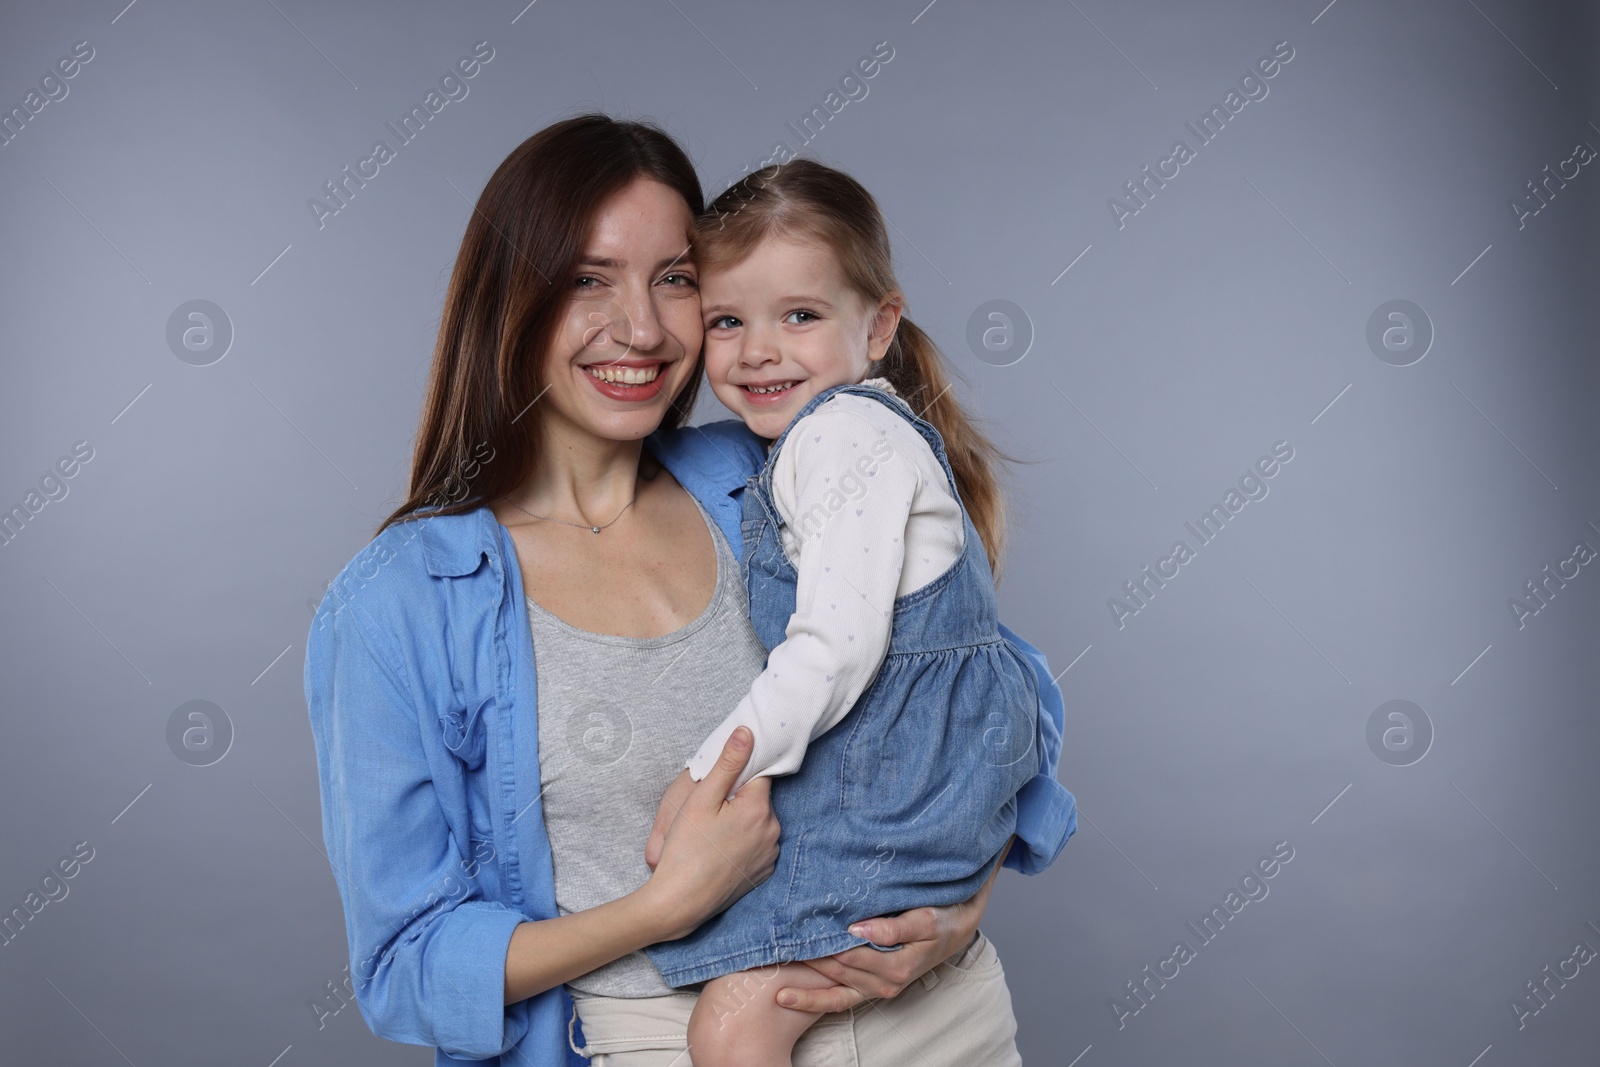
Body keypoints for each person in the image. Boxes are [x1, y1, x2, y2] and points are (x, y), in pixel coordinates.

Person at [303, 114, 1077, 1067]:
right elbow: (408, 963)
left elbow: (985, 683)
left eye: (673, 278)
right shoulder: (400, 603)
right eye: (589, 279)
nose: (640, 326)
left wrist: (960, 908)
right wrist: (661, 907)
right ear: (513, 298)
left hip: (942, 1024)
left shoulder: (769, 467)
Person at [628, 159, 1042, 1065]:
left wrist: (707, 776)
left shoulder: (841, 438)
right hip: (915, 792)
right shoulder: (846, 435)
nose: (758, 349)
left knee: (735, 1024)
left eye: (800, 316)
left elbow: (835, 648)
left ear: (880, 323)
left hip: (885, 804)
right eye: (728, 320)